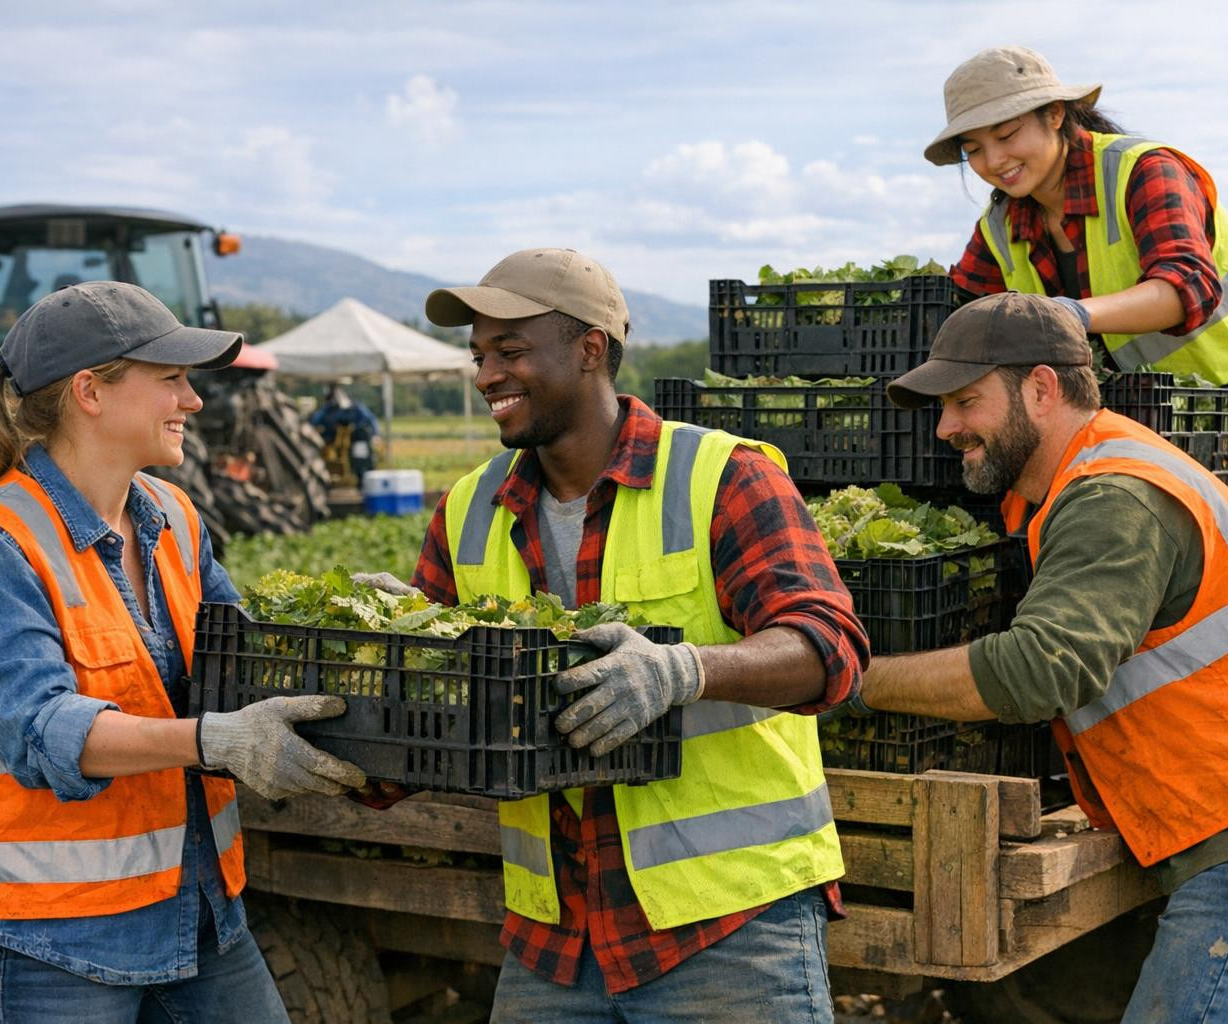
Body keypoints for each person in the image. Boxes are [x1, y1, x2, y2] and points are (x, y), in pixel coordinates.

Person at [853, 291, 1228, 1023]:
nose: (947, 428)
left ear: (1040, 389)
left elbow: (1041, 668)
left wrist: (851, 677)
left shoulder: (1113, 495)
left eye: (965, 402)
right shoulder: (1088, 474)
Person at [364, 248, 870, 1021]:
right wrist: (357, 712)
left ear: (589, 349)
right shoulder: (469, 509)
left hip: (726, 928)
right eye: (478, 356)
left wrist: (684, 671)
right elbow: (442, 707)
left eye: (510, 350)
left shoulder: (721, 476)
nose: (485, 375)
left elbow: (829, 646)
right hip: (556, 936)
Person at [0, 281, 371, 1023]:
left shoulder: (173, 517)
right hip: (41, 945)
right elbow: (41, 730)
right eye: (170, 379)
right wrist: (212, 739)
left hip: (194, 915)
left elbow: (246, 658)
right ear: (90, 392)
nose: (192, 401)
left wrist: (361, 620)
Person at [926, 45, 1228, 632]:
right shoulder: (1001, 228)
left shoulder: (1142, 171)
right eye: (974, 149)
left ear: (1055, 115)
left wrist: (1073, 313)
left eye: (1006, 134)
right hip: (1176, 447)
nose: (994, 160)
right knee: (1204, 630)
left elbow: (1186, 286)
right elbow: (961, 317)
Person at [309, 377, 381, 482]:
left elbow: (370, 419)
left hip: (356, 440)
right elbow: (316, 422)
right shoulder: (328, 410)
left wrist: (375, 434)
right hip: (333, 442)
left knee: (361, 459)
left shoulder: (355, 409)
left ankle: (362, 477)